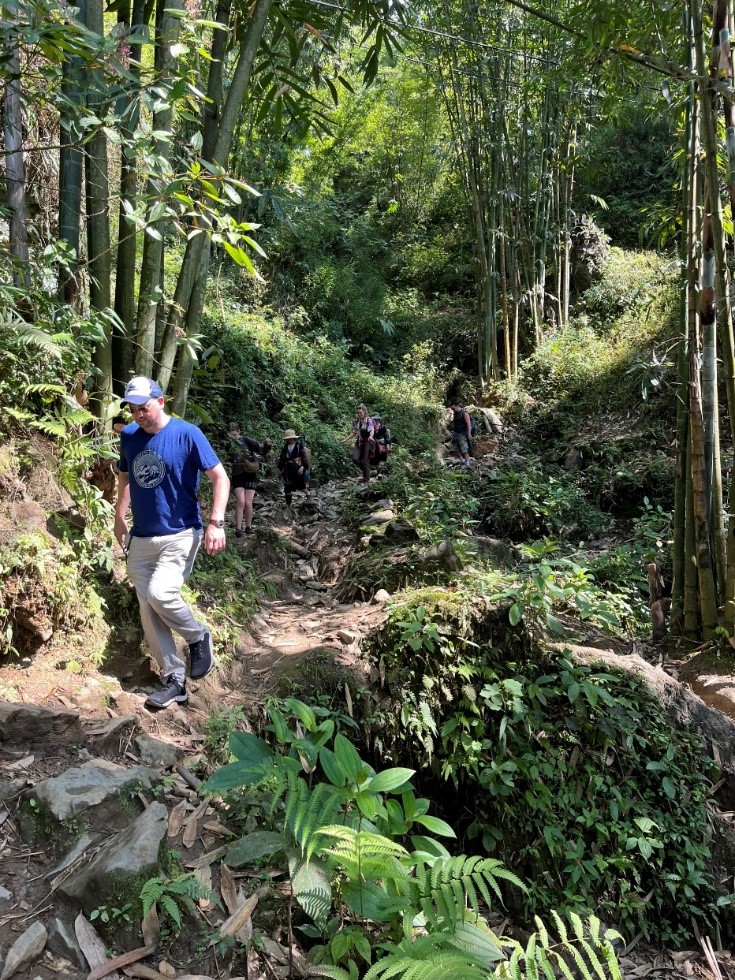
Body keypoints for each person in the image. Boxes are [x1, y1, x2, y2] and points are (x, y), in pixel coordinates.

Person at [114, 377, 230, 710]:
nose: (139, 414)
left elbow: (220, 477)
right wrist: (119, 516)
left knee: (160, 593)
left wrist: (216, 523)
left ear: (161, 401)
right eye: (133, 409)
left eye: (144, 407)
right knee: (148, 609)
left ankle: (197, 635)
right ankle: (174, 681)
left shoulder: (187, 434)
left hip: (180, 533)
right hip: (141, 537)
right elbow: (125, 477)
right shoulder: (129, 436)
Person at [226, 421, 271, 536]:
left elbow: (262, 450)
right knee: (240, 501)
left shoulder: (246, 440)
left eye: (235, 434)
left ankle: (248, 527)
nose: (233, 436)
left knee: (248, 501)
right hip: (237, 474)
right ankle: (238, 529)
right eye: (231, 434)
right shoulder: (227, 444)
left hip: (250, 473)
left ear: (239, 431)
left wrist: (267, 445)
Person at [278, 429, 311, 507]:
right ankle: (288, 503)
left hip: (297, 468)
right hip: (288, 469)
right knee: (287, 485)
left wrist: (302, 467)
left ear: (293, 438)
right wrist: (280, 468)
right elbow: (282, 458)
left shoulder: (299, 446)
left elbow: (304, 457)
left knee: (301, 485)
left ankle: (308, 494)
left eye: (289, 438)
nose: (288, 440)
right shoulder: (285, 447)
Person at [352, 404, 375, 482]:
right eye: (358, 413)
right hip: (360, 442)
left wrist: (371, 436)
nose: (359, 414)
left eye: (360, 413)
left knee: (365, 461)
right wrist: (345, 439)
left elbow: (371, 429)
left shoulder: (368, 420)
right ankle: (367, 471)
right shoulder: (358, 421)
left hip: (367, 442)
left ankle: (366, 479)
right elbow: (354, 432)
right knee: (355, 458)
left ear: (364, 412)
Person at [450, 401, 473, 467]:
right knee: (454, 448)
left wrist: (469, 433)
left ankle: (467, 463)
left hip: (462, 433)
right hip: (456, 433)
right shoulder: (455, 413)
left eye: (453, 408)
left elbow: (469, 424)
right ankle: (462, 460)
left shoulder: (464, 413)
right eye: (452, 409)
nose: (453, 410)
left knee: (464, 449)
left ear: (457, 406)